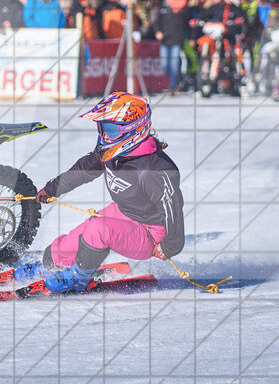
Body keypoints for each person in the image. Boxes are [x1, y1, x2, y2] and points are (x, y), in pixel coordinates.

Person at [17, 92, 184, 293]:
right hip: (125, 212)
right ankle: (51, 266)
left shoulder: (156, 169)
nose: (105, 136)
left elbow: (173, 209)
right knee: (65, 245)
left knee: (99, 229)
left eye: (111, 130)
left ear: (134, 130)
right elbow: (83, 171)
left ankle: (79, 277)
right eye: (103, 128)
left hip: (152, 233)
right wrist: (53, 188)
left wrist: (169, 246)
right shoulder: (110, 152)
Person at [153, 0, 190, 94]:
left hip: (176, 40)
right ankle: (174, 81)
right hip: (165, 41)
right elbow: (157, 23)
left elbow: (186, 20)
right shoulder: (162, 9)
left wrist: (181, 6)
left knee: (174, 64)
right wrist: (158, 32)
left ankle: (172, 86)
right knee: (164, 64)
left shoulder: (181, 8)